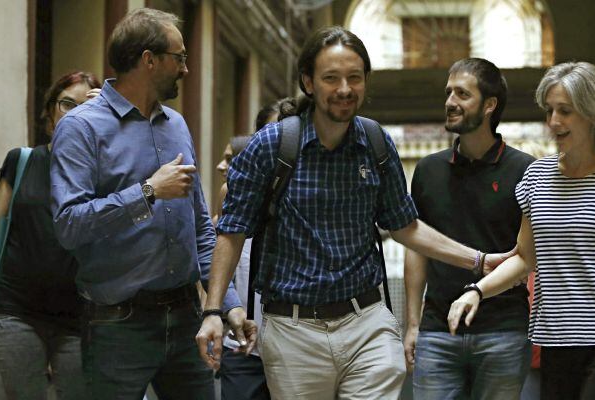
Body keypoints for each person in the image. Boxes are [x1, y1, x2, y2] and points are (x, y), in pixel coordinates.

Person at [196, 26, 513, 400]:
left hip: (366, 321)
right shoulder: (273, 146)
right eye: (331, 78)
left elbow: (405, 226)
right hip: (293, 328)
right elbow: (231, 231)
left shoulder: (375, 143)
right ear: (308, 83)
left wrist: (478, 260)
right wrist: (213, 310)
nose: (344, 89)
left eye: (354, 78)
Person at [447, 61, 595, 400]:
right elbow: (525, 258)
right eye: (550, 111)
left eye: (565, 111)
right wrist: (476, 290)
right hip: (556, 341)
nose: (553, 122)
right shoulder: (536, 178)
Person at [49, 8, 251, 399]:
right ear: (149, 60)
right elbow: (68, 225)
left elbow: (199, 229)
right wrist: (147, 192)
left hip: (186, 319)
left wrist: (226, 304)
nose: (186, 69)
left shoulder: (176, 125)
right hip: (117, 326)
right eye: (180, 58)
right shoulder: (81, 127)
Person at [0, 71, 100, 399]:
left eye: (86, 106)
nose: (75, 112)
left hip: (79, 317)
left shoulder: (102, 172)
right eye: (68, 103)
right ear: (51, 110)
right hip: (17, 311)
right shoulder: (22, 160)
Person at [404, 58, 534, 400]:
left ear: (489, 105)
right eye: (449, 92)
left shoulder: (526, 171)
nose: (450, 102)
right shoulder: (428, 171)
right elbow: (417, 247)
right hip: (436, 332)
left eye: (462, 93)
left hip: (504, 331)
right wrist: (413, 324)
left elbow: (528, 255)